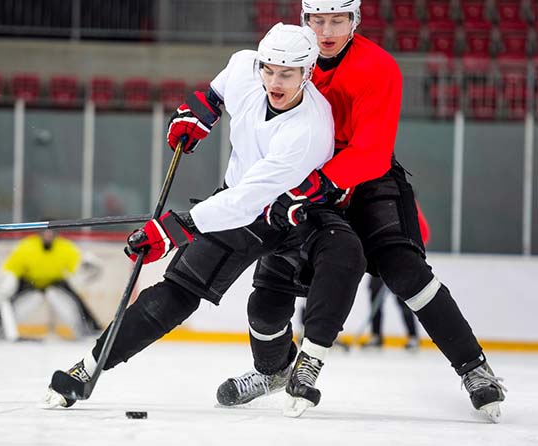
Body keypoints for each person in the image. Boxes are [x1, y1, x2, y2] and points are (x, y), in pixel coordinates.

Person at [43, 23, 366, 414]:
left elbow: (249, 200)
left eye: (287, 74)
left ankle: (296, 364)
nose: (274, 82)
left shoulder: (310, 129)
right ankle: (88, 369)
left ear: (308, 72)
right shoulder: (244, 67)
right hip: (239, 200)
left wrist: (175, 228)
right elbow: (216, 93)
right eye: (268, 70)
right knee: (177, 291)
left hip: (296, 214)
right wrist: (199, 114)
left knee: (286, 292)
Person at [216, 0, 506, 423]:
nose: (327, 30)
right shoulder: (286, 61)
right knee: (269, 290)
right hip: (306, 182)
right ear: (304, 21)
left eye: (338, 20)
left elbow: (372, 151)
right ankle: (273, 370)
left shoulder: (378, 66)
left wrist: (313, 185)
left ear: (355, 20)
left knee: (407, 273)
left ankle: (475, 368)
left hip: (363, 182)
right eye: (318, 20)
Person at [0, 229, 102, 341]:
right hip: (29, 281)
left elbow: (77, 265)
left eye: (51, 232)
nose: (48, 235)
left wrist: (86, 265)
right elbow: (12, 268)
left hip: (56, 281)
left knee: (76, 300)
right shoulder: (27, 245)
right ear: (39, 233)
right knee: (9, 301)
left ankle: (93, 329)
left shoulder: (65, 247)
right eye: (45, 232)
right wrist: (6, 282)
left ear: (56, 233)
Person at [361, 202, 430, 350]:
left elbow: (423, 234)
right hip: (379, 259)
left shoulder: (408, 206)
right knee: (374, 293)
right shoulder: (377, 203)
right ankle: (376, 336)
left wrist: (409, 252)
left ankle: (413, 337)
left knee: (403, 298)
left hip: (400, 260)